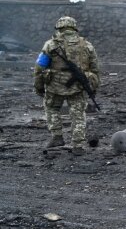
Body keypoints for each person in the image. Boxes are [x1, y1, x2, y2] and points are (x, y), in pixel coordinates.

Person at [34, 16, 100, 155]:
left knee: (51, 108)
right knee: (78, 115)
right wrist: (93, 87)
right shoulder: (87, 45)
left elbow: (39, 67)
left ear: (59, 28)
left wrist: (39, 86)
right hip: (78, 86)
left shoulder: (50, 45)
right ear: (74, 28)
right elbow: (95, 69)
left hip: (54, 86)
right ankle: (78, 145)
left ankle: (57, 136)